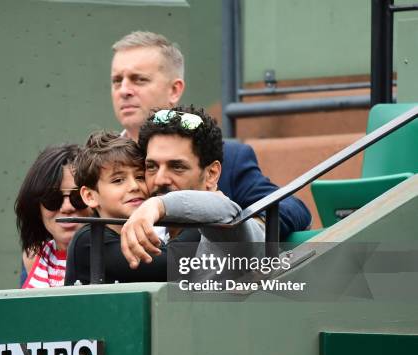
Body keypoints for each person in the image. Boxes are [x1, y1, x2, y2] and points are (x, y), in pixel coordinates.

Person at [110, 31, 311, 239]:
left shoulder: (229, 157)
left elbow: (290, 207)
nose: (124, 90)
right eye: (117, 81)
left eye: (138, 79)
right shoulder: (98, 161)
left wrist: (243, 233)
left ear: (174, 90)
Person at [120, 106, 264, 275]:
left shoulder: (227, 226)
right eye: (151, 167)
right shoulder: (145, 227)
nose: (159, 179)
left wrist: (157, 205)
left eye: (177, 167)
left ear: (212, 174)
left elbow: (224, 210)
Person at [64, 131, 167, 285]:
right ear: (90, 196)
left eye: (140, 177)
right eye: (118, 180)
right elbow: (174, 265)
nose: (134, 186)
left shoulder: (147, 236)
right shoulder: (90, 240)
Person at [15, 144, 92, 288]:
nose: (67, 207)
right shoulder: (34, 256)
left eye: (78, 197)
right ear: (36, 207)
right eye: (52, 199)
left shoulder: (116, 253)